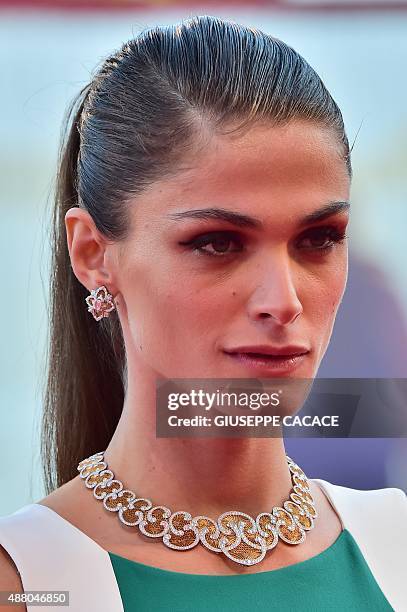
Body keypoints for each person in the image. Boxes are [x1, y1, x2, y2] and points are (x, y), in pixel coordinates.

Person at [0, 15, 405, 612]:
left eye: (319, 238)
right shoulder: (30, 585)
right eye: (217, 243)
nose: (283, 301)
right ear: (93, 254)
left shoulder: (397, 547)